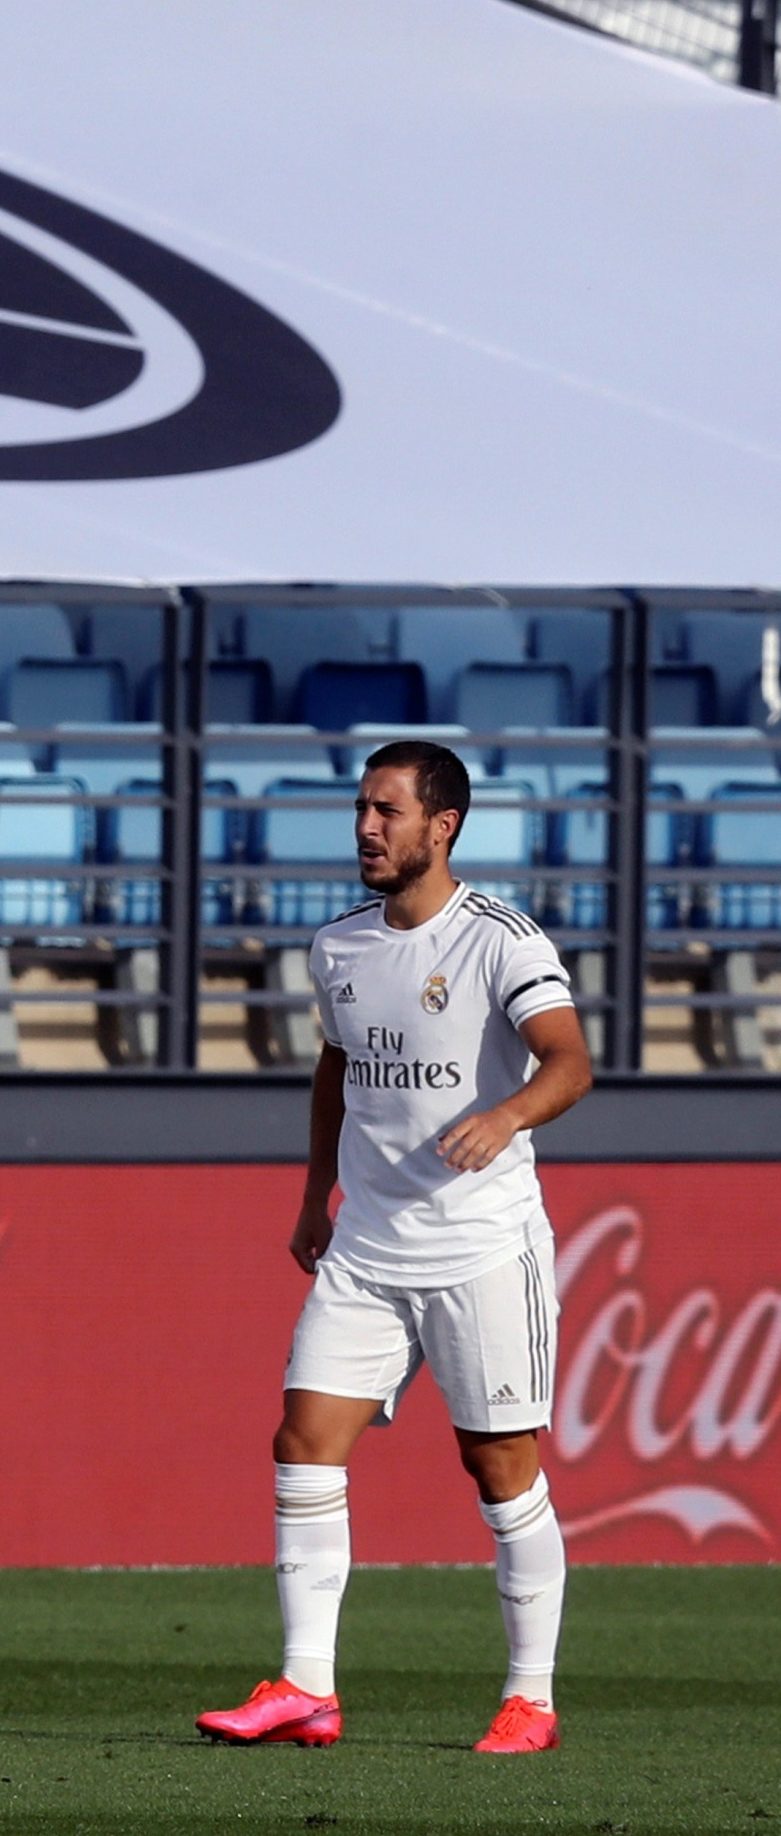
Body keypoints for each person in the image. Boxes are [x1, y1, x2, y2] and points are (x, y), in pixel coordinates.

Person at [200, 740, 588, 1757]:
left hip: (479, 1249)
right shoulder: (337, 947)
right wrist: (312, 1192)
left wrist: (504, 1118)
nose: (366, 828)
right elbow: (334, 1067)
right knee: (300, 1444)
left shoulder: (500, 940)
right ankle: (305, 1687)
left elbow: (568, 1061)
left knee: (496, 1463)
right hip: (366, 1248)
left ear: (441, 826)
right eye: (360, 810)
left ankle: (531, 1699)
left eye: (386, 811)